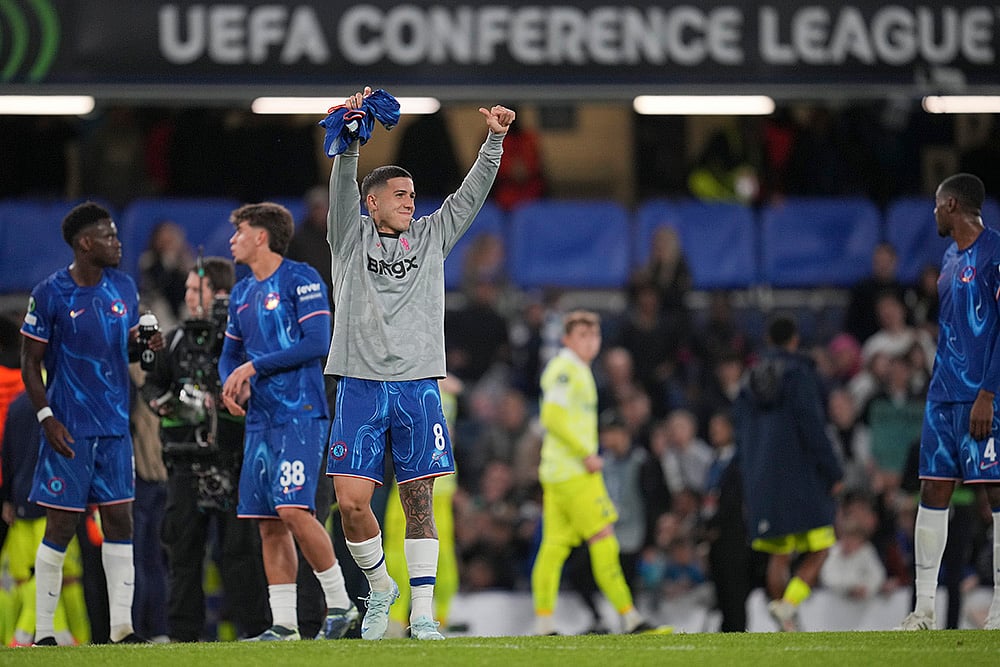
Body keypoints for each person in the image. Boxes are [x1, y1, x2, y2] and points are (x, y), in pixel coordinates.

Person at [322, 86, 514, 641]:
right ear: (372, 202)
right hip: (359, 382)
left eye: (412, 194)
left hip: (418, 386)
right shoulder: (348, 239)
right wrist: (351, 149)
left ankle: (424, 614)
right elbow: (341, 187)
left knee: (419, 501)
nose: (410, 200)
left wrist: (494, 141)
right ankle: (381, 586)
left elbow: (471, 195)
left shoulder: (431, 237)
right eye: (399, 194)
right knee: (352, 504)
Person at [19, 201, 164, 645]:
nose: (118, 242)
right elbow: (29, 361)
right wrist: (46, 419)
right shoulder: (49, 293)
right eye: (108, 235)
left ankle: (122, 629)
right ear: (85, 244)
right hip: (69, 429)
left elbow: (128, 352)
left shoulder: (123, 288)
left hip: (116, 429)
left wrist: (145, 345)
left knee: (121, 523)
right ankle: (44, 632)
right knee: (61, 526)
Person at [218, 202, 357, 642]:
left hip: (300, 414)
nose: (232, 240)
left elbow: (317, 342)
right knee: (268, 521)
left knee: (294, 508)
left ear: (261, 236)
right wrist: (229, 384)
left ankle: (340, 605)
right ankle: (284, 625)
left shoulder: (302, 279)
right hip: (260, 419)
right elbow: (229, 356)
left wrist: (253, 369)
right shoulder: (241, 293)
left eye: (239, 232)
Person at [141, 257, 270, 641]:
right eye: (187, 292)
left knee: (240, 555)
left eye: (196, 291)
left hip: (234, 463)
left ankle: (256, 632)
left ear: (220, 295)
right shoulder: (176, 338)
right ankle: (183, 637)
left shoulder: (245, 338)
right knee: (182, 555)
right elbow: (151, 382)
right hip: (185, 464)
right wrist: (162, 401)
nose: (189, 297)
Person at [896, 173, 1000, 631]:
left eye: (937, 205)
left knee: (996, 495)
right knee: (932, 490)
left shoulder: (996, 252)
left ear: (952, 205)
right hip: (943, 394)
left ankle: (999, 611)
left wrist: (989, 392)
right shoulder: (950, 256)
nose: (933, 213)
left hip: (983, 397)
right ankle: (923, 611)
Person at [531, 310, 656, 636]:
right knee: (603, 538)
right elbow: (552, 416)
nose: (590, 342)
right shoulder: (565, 369)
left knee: (554, 547)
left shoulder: (578, 370)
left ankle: (544, 623)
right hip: (574, 472)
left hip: (557, 472)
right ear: (567, 339)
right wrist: (586, 453)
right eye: (583, 336)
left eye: (594, 336)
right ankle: (631, 618)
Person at [733, 315, 843, 632]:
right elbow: (812, 426)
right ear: (794, 340)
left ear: (768, 341)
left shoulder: (747, 381)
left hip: (763, 480)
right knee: (821, 547)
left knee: (779, 554)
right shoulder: (800, 375)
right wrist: (832, 470)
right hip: (803, 479)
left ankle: (786, 626)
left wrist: (749, 478)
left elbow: (740, 436)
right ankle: (788, 605)